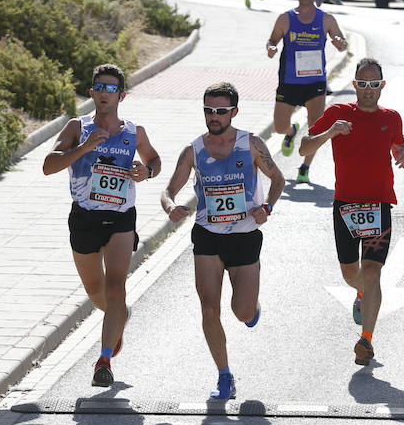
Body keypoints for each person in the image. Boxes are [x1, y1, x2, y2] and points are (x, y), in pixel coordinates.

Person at [161, 82, 285, 400]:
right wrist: (171, 207)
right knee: (209, 310)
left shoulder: (251, 144)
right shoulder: (194, 151)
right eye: (208, 110)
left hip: (244, 237)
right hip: (207, 237)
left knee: (241, 312)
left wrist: (267, 207)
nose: (213, 116)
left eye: (220, 111)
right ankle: (224, 376)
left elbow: (278, 179)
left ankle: (251, 309)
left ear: (234, 112)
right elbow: (168, 190)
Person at [42, 63, 161, 387]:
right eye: (100, 88)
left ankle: (104, 359)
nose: (105, 93)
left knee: (116, 287)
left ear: (121, 95)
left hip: (121, 217)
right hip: (84, 218)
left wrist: (146, 172)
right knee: (96, 291)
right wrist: (84, 148)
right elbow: (48, 166)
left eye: (112, 89)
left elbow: (154, 160)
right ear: (92, 92)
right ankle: (117, 314)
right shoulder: (76, 128)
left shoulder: (133, 131)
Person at [297, 57, 404, 366]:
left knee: (373, 272)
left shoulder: (391, 118)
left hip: (379, 205)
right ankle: (361, 294)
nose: (367, 91)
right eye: (362, 84)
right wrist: (330, 132)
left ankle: (366, 340)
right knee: (352, 274)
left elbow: (398, 148)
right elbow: (304, 148)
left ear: (381, 86)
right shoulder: (338, 113)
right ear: (354, 85)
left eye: (373, 85)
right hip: (346, 206)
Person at [266, 0, 347, 183]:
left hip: (315, 83)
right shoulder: (286, 18)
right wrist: (272, 47)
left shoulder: (326, 19)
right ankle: (291, 131)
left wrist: (339, 42)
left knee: (316, 128)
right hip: (289, 81)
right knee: (278, 126)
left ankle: (305, 168)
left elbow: (342, 42)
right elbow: (272, 40)